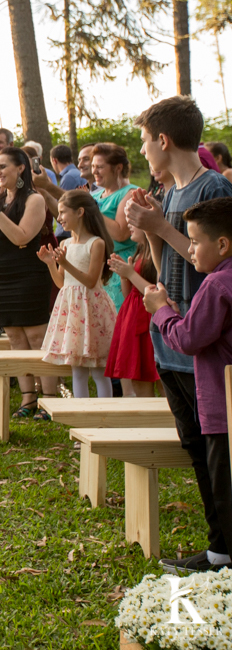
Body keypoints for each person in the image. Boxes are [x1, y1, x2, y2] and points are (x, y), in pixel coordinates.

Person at [124, 95, 232, 573]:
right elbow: (160, 260)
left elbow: (206, 258)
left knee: (217, 454)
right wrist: (147, 226)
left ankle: (222, 549)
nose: (144, 152)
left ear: (163, 140)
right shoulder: (168, 194)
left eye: (147, 142)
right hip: (168, 338)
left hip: (200, 342)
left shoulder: (212, 190)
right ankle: (218, 546)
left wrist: (161, 225)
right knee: (195, 448)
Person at [145, 196, 232, 574]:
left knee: (224, 492)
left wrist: (162, 311)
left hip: (222, 408)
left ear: (223, 244)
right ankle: (220, 556)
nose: (190, 250)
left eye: (195, 241)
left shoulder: (216, 285)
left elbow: (189, 338)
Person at [0, 147, 56, 417]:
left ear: (21, 168)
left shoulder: (34, 199)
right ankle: (28, 399)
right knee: (16, 339)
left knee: (36, 336)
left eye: (3, 166)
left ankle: (50, 398)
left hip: (29, 275)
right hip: (0, 275)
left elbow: (22, 237)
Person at [38, 190, 117, 398]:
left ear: (80, 212)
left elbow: (91, 281)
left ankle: (104, 415)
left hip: (91, 308)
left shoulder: (96, 243)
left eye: (63, 212)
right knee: (78, 371)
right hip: (72, 311)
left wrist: (65, 263)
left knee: (99, 371)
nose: (59, 217)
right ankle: (82, 416)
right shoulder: (65, 244)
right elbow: (61, 282)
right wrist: (51, 264)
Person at [105, 225, 160, 397]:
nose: (129, 225)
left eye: (133, 222)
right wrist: (124, 275)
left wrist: (131, 273)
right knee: (138, 376)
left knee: (159, 375)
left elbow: (156, 292)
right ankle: (146, 421)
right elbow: (129, 293)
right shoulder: (139, 251)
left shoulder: (158, 252)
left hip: (150, 317)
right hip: (132, 314)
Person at [89, 143, 138, 309]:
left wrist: (92, 208)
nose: (94, 171)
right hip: (98, 265)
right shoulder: (94, 195)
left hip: (120, 265)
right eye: (93, 166)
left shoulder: (130, 193)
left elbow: (121, 233)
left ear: (118, 168)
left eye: (100, 167)